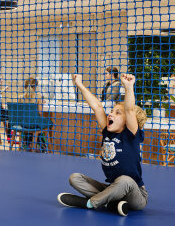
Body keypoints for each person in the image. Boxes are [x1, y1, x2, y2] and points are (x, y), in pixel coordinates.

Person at [60, 73, 147, 215]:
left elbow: (130, 110)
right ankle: (111, 204)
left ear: (128, 121)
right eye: (111, 111)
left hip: (135, 194)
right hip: (113, 188)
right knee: (75, 178)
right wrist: (79, 85)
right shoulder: (107, 132)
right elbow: (98, 107)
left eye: (118, 113)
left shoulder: (131, 135)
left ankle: (89, 203)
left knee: (125, 180)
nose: (110, 114)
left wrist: (129, 87)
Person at [17, 77, 47, 153]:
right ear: (35, 87)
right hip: (34, 124)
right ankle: (42, 146)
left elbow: (19, 112)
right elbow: (40, 112)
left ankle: (25, 144)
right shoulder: (39, 96)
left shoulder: (20, 97)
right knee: (45, 124)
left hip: (23, 124)